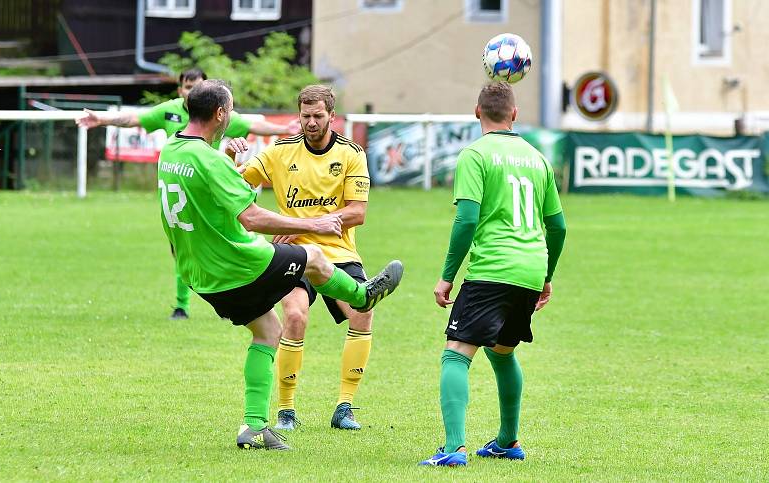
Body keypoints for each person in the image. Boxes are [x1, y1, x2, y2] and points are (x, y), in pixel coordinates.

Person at [157, 79, 403, 450]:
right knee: (312, 259)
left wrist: (225, 158)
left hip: (199, 275)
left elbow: (215, 193)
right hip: (239, 263)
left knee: (267, 331)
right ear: (221, 114)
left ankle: (254, 427)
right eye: (233, 110)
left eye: (317, 115)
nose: (310, 121)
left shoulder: (171, 151)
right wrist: (312, 225)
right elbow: (252, 218)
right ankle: (362, 295)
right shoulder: (214, 160)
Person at [419, 82, 567, 466]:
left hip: (493, 268)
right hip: (530, 268)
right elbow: (559, 226)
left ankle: (454, 450)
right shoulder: (538, 159)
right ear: (514, 114)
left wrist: (447, 275)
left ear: (476, 113)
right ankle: (507, 441)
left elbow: (467, 218)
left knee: (456, 353)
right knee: (502, 352)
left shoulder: (475, 154)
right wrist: (546, 275)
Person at [77, 68, 300, 321]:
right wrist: (102, 120)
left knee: (220, 247)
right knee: (186, 252)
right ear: (180, 90)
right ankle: (184, 305)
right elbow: (135, 120)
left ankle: (230, 293)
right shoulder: (170, 111)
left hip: (215, 194)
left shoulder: (219, 114)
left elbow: (252, 124)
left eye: (197, 86)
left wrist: (283, 128)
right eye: (187, 87)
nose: (191, 91)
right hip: (185, 191)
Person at [235, 85, 376, 431]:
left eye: (318, 116)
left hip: (338, 253)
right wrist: (229, 157)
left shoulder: (352, 153)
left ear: (331, 115)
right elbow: (236, 186)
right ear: (298, 115)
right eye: (305, 116)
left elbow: (358, 213)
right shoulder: (279, 152)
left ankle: (345, 406)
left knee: (363, 312)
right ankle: (286, 411)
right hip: (294, 253)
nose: (311, 122)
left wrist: (300, 225)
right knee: (295, 316)